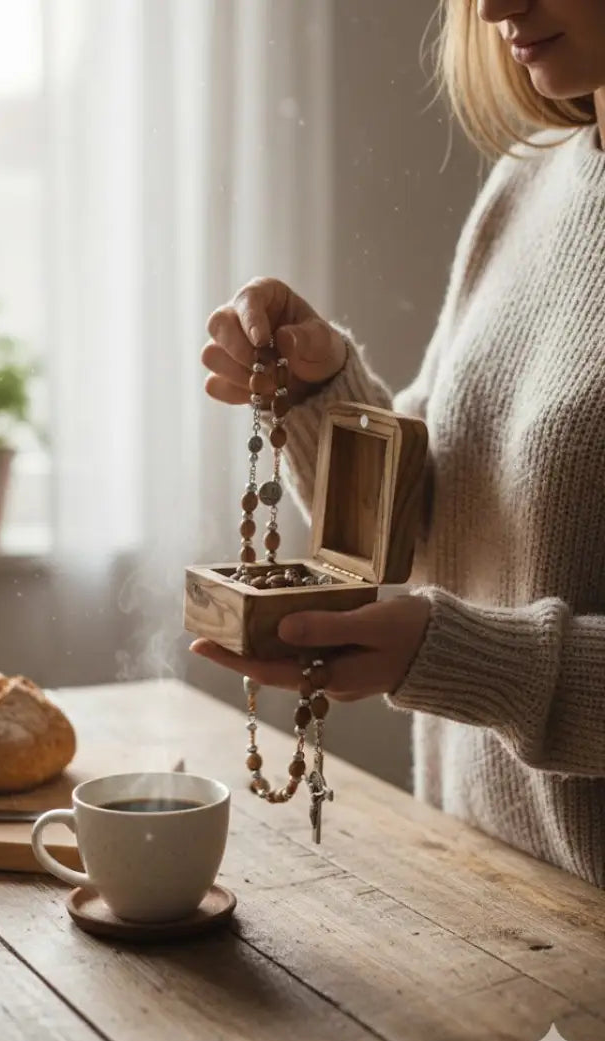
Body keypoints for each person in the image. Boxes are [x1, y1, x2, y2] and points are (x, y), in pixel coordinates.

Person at [191, 0, 605, 887]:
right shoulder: (531, 185)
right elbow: (432, 515)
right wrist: (316, 385)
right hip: (487, 895)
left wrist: (463, 658)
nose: (494, 7)